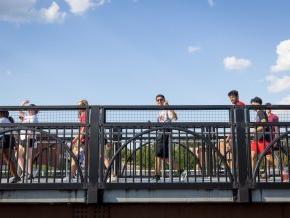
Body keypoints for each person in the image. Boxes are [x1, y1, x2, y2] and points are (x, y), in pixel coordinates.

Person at [154, 94, 179, 181]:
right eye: (158, 100)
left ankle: (157, 175)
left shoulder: (166, 109)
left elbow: (175, 117)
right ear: (156, 102)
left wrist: (169, 107)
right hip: (161, 133)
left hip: (164, 134)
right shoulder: (159, 111)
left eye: (161, 100)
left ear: (164, 100)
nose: (159, 101)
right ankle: (180, 171)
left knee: (159, 155)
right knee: (163, 157)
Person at [18, 100, 39, 179]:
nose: (29, 110)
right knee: (18, 155)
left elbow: (32, 129)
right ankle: (25, 172)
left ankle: (29, 173)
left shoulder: (34, 118)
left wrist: (29, 134)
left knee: (28, 156)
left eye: (31, 109)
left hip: (30, 138)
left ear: (34, 110)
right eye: (29, 109)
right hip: (23, 137)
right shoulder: (26, 116)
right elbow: (20, 112)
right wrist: (22, 103)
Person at [250, 97, 271, 170]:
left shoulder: (260, 112)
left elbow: (264, 123)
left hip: (261, 137)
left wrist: (254, 130)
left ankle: (283, 170)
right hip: (256, 137)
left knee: (268, 157)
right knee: (253, 156)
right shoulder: (258, 113)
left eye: (253, 104)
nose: (252, 106)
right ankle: (253, 173)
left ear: (258, 104)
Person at [0, 111, 21, 183]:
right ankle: (16, 176)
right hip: (8, 139)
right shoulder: (7, 120)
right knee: (8, 158)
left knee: (7, 158)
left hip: (4, 139)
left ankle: (16, 176)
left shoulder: (2, 119)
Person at [70, 99, 88, 179]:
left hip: (82, 139)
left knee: (74, 156)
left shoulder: (84, 114)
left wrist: (77, 139)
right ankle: (73, 175)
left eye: (80, 105)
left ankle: (71, 175)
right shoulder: (83, 114)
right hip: (84, 138)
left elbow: (83, 128)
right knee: (84, 158)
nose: (78, 107)